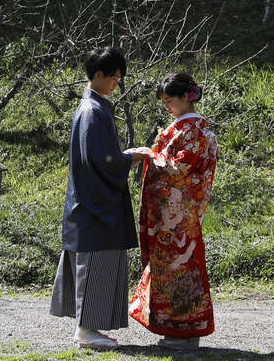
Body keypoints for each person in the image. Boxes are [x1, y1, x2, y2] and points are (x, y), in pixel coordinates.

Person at [50, 47, 150, 350]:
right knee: (94, 267)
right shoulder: (92, 111)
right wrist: (130, 157)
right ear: (98, 75)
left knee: (94, 267)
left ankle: (88, 328)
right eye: (114, 77)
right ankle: (85, 331)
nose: (116, 83)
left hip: (90, 204)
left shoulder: (93, 107)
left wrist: (124, 157)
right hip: (95, 208)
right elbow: (103, 160)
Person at [128, 72, 218, 350]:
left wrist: (149, 154)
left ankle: (187, 333)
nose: (167, 105)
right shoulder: (187, 128)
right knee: (174, 268)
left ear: (185, 98)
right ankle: (178, 331)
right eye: (164, 101)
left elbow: (179, 169)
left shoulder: (193, 130)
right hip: (176, 215)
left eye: (170, 100)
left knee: (180, 268)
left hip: (177, 216)